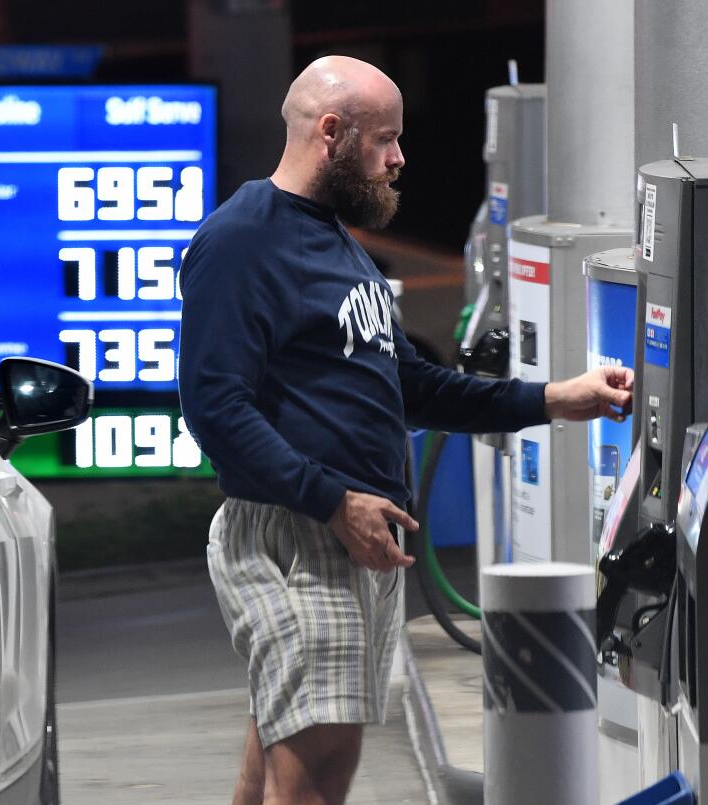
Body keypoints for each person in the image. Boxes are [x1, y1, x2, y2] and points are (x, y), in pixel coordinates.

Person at [177, 55, 633, 805]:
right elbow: (214, 407)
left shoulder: (340, 248)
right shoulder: (241, 241)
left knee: (278, 758)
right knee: (319, 768)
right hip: (299, 534)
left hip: (348, 535)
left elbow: (410, 387)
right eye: (385, 140)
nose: (400, 159)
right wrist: (332, 500)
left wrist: (555, 397)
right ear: (332, 133)